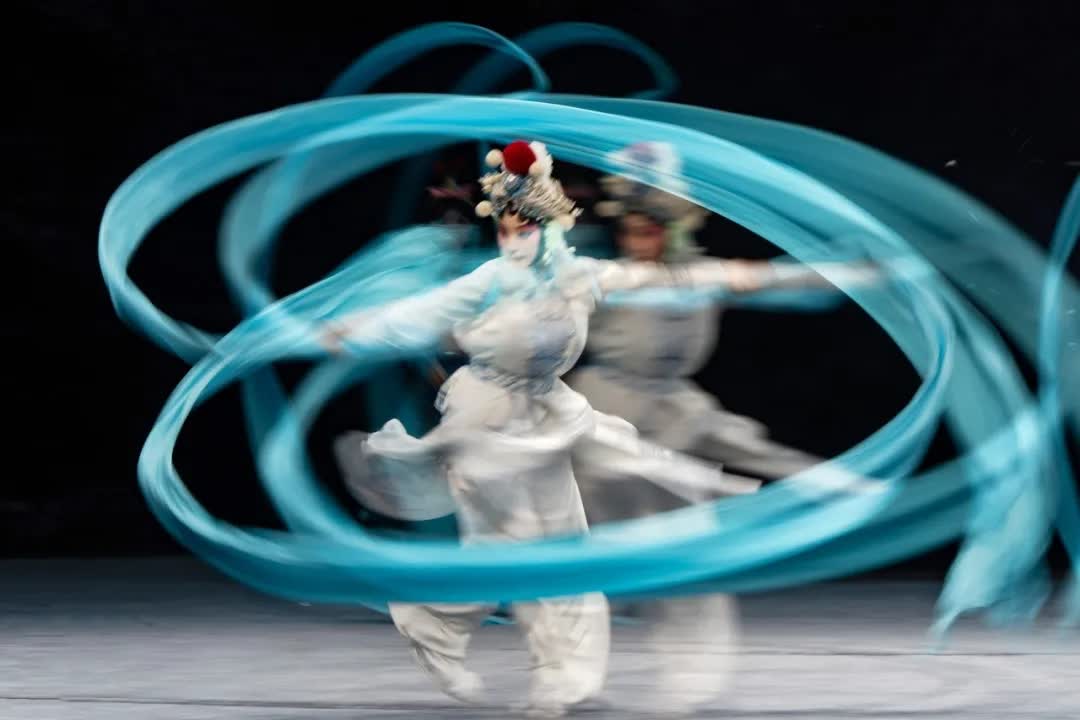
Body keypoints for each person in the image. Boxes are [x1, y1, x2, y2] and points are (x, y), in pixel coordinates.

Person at [324, 140, 771, 717]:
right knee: (520, 549)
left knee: (558, 551)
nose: (513, 241)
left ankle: (546, 668)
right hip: (482, 422)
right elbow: (420, 313)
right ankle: (480, 646)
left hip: (545, 418)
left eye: (526, 230)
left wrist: (749, 275)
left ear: (550, 228)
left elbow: (649, 277)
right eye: (505, 231)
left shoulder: (576, 277)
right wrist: (355, 329)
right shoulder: (489, 279)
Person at [566, 141, 878, 712]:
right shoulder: (606, 278)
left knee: (695, 524)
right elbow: (527, 304)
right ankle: (576, 658)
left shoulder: (701, 276)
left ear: (671, 230)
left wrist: (861, 272)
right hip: (606, 415)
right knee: (598, 552)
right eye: (630, 231)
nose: (637, 242)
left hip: (673, 411)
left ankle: (684, 676)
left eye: (648, 231)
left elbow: (785, 283)